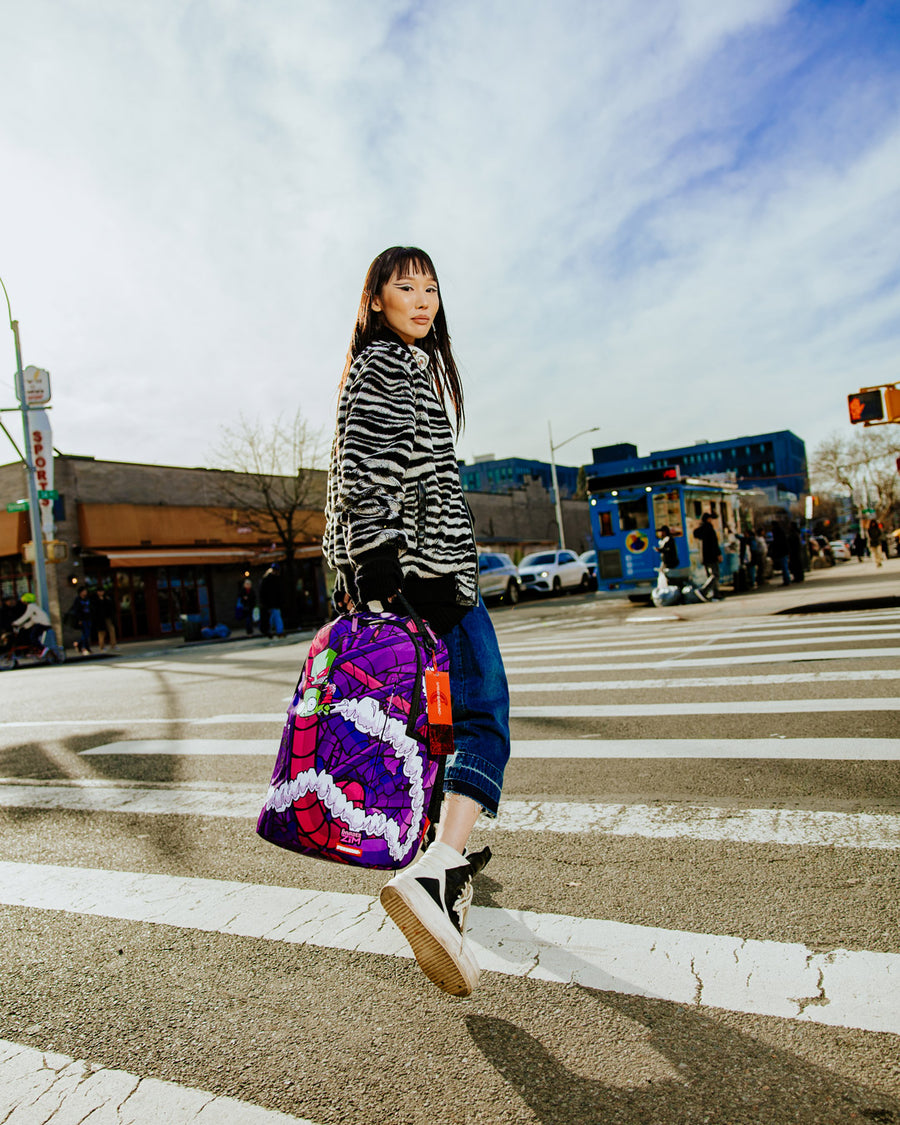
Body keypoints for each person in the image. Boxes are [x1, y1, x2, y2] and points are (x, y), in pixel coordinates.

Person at [323, 245, 510, 997]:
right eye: (406, 286)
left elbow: (355, 473)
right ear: (375, 299)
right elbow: (367, 472)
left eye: (431, 287)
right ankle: (439, 871)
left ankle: (442, 869)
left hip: (412, 574)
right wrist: (382, 572)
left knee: (433, 731)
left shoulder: (399, 367)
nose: (423, 298)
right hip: (429, 578)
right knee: (484, 715)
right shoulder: (388, 366)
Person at [692, 512, 722, 597]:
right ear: (708, 519)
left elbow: (695, 533)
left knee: (710, 575)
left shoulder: (700, 529)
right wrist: (718, 554)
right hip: (712, 555)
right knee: (715, 574)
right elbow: (714, 543)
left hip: (704, 556)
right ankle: (704, 590)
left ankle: (715, 593)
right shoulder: (709, 528)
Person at [259, 564, 285, 638]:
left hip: (270, 603)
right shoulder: (275, 579)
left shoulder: (266, 579)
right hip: (273, 603)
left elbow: (262, 592)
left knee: (272, 618)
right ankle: (278, 632)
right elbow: (279, 592)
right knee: (276, 617)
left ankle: (270, 631)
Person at [68, 586, 93, 654]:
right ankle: (85, 648)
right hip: (82, 619)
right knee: (85, 634)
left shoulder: (87, 599)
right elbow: (77, 611)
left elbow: (90, 608)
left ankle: (79, 644)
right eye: (84, 591)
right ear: (81, 592)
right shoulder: (78, 600)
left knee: (87, 634)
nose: (85, 592)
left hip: (88, 618)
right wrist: (79, 619)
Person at [93, 587, 118, 652]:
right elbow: (95, 610)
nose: (101, 593)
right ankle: (102, 646)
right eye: (99, 591)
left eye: (102, 591)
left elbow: (111, 606)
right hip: (100, 618)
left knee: (112, 630)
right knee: (101, 632)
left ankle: (113, 644)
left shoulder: (107, 598)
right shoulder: (95, 600)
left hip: (107, 617)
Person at [768, 521, 790, 586]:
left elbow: (777, 542)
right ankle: (787, 580)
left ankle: (786, 580)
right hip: (783, 551)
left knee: (784, 566)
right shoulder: (781, 531)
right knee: (784, 566)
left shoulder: (777, 532)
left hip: (781, 551)